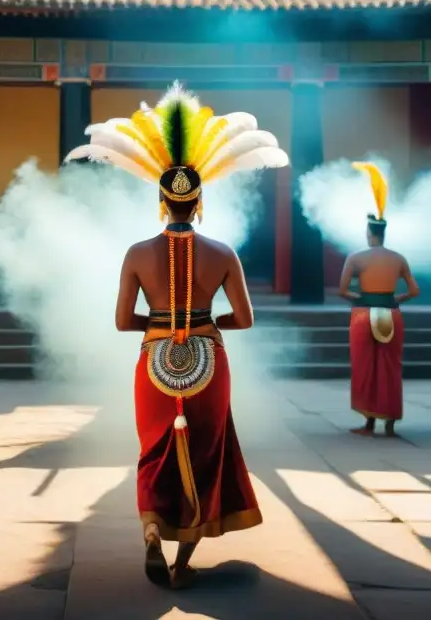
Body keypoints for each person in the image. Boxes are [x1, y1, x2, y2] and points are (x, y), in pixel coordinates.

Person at [66, 82, 288, 589]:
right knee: (208, 452)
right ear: (199, 200)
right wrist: (202, 326)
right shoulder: (224, 252)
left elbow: (124, 322)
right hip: (210, 357)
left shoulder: (136, 252)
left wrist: (164, 327)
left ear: (161, 200)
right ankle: (183, 564)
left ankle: (150, 533)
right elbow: (246, 319)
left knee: (154, 449)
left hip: (154, 360)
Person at [339, 162, 419, 438]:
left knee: (365, 367)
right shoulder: (398, 258)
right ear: (383, 233)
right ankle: (390, 422)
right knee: (390, 366)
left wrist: (360, 297)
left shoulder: (357, 257)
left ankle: (369, 422)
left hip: (363, 313)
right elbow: (414, 291)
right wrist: (396, 297)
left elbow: (342, 291)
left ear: (368, 233)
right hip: (392, 312)